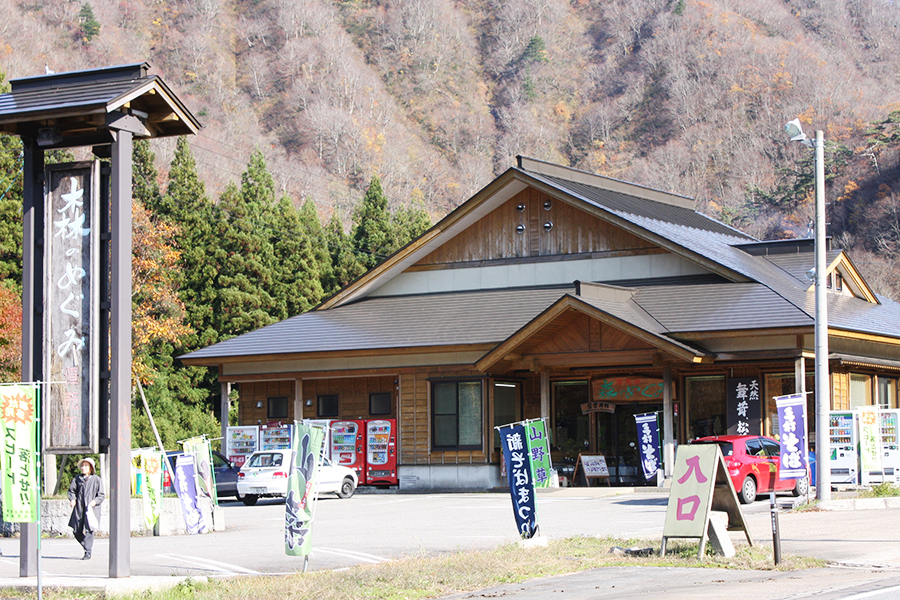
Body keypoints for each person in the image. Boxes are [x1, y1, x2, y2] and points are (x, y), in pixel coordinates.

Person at [68, 457, 104, 560]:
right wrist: (72, 499)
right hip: (79, 507)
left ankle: (87, 552)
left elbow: (101, 495)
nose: (83, 468)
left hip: (91, 508)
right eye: (82, 466)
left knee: (89, 529)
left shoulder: (96, 479)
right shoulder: (77, 479)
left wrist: (95, 501)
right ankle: (86, 546)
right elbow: (71, 491)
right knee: (76, 530)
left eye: (86, 466)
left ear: (91, 468)